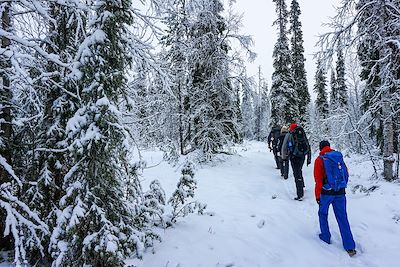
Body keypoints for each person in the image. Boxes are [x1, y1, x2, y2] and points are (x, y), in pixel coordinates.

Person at [314, 140, 357, 257]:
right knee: (343, 218)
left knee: (323, 214)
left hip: (326, 193)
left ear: (320, 148)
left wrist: (318, 196)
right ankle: (350, 246)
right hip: (340, 192)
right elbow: (346, 174)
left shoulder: (320, 160)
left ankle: (325, 237)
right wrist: (341, 187)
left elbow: (318, 180)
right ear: (329, 146)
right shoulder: (338, 157)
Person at [281, 123, 311, 200]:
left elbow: (284, 147)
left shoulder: (289, 134)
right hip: (302, 156)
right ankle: (302, 185)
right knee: (299, 170)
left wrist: (284, 157)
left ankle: (300, 194)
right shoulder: (302, 133)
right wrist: (308, 158)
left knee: (296, 174)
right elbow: (307, 144)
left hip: (294, 156)